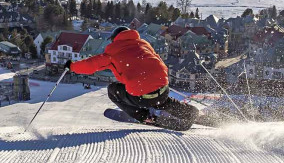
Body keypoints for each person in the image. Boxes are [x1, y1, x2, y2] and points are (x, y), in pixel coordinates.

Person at [65, 26, 199, 130]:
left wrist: (72, 66)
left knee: (113, 90)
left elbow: (91, 65)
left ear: (115, 38)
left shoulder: (113, 51)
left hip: (141, 95)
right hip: (163, 89)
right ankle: (189, 112)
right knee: (158, 97)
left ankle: (145, 117)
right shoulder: (144, 44)